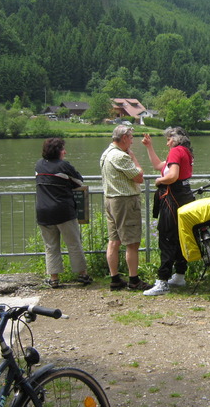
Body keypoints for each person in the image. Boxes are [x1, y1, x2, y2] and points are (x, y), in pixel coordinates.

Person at [141, 127, 195, 296]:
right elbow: (159, 165)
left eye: (168, 139)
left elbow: (172, 176)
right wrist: (149, 147)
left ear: (175, 139)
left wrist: (159, 181)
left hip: (172, 198)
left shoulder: (175, 152)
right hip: (185, 196)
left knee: (166, 238)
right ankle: (179, 275)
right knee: (180, 237)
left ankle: (162, 281)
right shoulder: (185, 151)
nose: (167, 142)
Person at [99, 125, 152, 291]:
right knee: (132, 242)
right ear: (123, 138)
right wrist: (134, 158)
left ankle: (115, 279)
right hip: (125, 202)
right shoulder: (121, 156)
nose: (132, 141)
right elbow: (139, 177)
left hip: (110, 200)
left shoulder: (106, 153)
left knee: (114, 241)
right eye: (130, 138)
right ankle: (134, 280)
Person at [35, 137, 91, 288]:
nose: (65, 151)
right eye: (63, 149)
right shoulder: (63, 166)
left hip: (43, 211)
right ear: (58, 151)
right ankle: (82, 275)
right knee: (73, 243)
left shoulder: (39, 165)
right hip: (63, 211)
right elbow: (79, 182)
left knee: (51, 246)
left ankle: (54, 278)